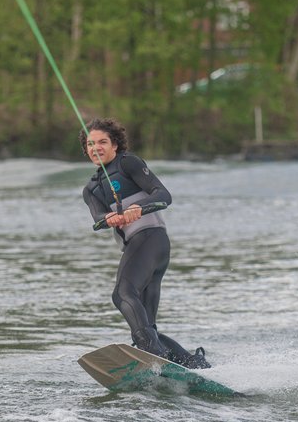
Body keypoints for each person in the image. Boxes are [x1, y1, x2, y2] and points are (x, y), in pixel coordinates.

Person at [80, 118, 211, 369]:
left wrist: (138, 208)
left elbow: (163, 195)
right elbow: (97, 219)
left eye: (102, 142)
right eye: (90, 144)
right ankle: (191, 364)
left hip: (150, 239)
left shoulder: (128, 163)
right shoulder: (91, 189)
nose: (95, 148)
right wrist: (109, 218)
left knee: (122, 295)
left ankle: (154, 354)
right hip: (138, 248)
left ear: (115, 145)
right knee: (146, 326)